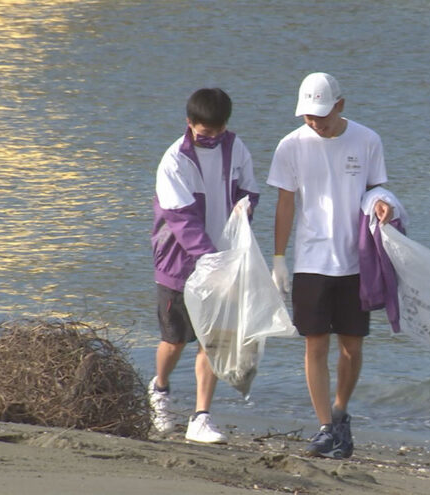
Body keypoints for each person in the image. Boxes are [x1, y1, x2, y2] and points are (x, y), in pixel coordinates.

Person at [267, 72, 395, 459]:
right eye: (307, 115)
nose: (315, 121)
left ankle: (340, 413)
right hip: (311, 259)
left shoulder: (367, 139)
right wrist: (278, 258)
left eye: (321, 114)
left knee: (352, 347)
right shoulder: (290, 146)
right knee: (315, 344)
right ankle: (325, 427)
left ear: (340, 105)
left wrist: (382, 202)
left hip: (357, 259)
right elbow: (286, 203)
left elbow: (376, 188)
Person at [149, 87, 259, 443]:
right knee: (175, 340)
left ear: (225, 125)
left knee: (212, 340)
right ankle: (160, 392)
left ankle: (201, 417)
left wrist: (244, 210)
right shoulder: (174, 161)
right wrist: (211, 261)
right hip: (180, 265)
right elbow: (182, 221)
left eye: (217, 132)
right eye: (203, 133)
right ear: (189, 123)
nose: (211, 138)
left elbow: (249, 192)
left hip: (223, 260)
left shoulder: (235, 148)